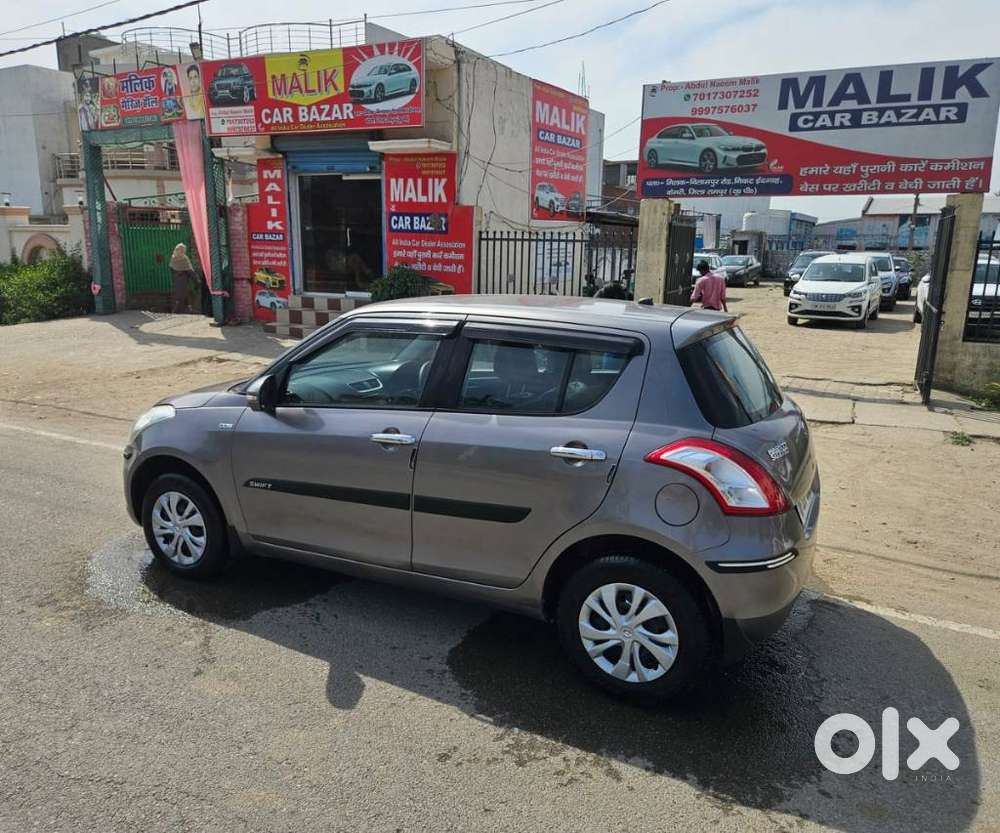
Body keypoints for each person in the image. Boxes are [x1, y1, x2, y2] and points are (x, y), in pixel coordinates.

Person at [169, 243, 196, 313]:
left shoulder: (185, 258)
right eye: (180, 249)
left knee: (184, 294)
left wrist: (195, 278)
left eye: (182, 250)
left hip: (183, 279)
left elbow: (189, 269)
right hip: (178, 279)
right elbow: (171, 268)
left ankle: (187, 309)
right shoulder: (174, 257)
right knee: (180, 295)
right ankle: (177, 310)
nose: (181, 251)